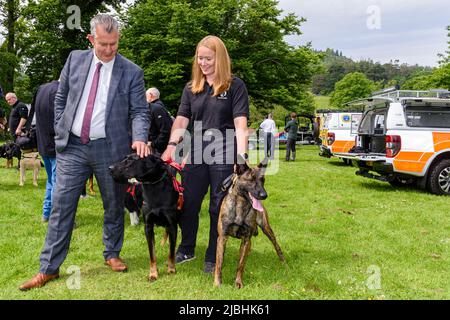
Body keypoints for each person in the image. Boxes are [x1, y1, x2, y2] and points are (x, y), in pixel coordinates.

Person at [19, 14, 150, 291]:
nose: (109, 50)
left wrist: (139, 137)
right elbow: (61, 97)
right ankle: (49, 268)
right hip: (73, 147)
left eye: (114, 44)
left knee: (114, 205)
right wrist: (59, 129)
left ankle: (112, 253)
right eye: (103, 44)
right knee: (61, 206)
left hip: (111, 148)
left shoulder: (132, 72)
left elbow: (139, 111)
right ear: (91, 39)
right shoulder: (75, 59)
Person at [161, 35, 249, 274]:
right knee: (188, 202)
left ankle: (213, 254)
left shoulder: (235, 86)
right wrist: (171, 144)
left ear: (220, 59)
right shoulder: (191, 88)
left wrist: (241, 157)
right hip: (196, 150)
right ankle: (187, 248)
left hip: (223, 150)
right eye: (200, 58)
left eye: (208, 58)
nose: (203, 63)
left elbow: (241, 124)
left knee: (216, 207)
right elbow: (181, 119)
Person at [30, 80, 59, 223]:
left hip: (43, 144)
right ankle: (57, 217)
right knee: (58, 183)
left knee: (51, 181)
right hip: (56, 146)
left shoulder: (41, 88)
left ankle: (46, 214)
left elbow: (33, 116)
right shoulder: (60, 91)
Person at [146, 87, 173, 155]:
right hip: (159, 148)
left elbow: (166, 131)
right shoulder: (160, 107)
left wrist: (152, 144)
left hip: (158, 150)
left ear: (150, 95)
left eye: (145, 96)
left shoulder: (156, 108)